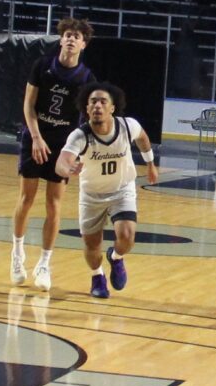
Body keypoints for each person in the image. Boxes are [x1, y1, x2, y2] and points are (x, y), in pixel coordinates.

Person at [11, 18, 95, 292]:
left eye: (77, 37)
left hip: (63, 144)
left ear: (83, 45)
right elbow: (28, 104)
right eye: (68, 35)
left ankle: (44, 264)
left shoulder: (86, 78)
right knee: (26, 199)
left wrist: (79, 153)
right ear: (61, 39)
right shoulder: (42, 66)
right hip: (36, 137)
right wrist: (35, 137)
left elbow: (87, 122)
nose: (71, 39)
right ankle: (17, 253)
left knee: (54, 205)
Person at [55, 83, 158, 299]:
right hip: (92, 195)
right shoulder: (80, 136)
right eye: (93, 102)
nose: (97, 106)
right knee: (92, 245)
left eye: (103, 102)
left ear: (112, 108)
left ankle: (116, 257)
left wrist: (150, 163)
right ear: (86, 108)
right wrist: (68, 168)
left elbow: (143, 138)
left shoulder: (128, 126)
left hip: (122, 190)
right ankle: (97, 276)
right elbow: (61, 162)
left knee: (127, 236)